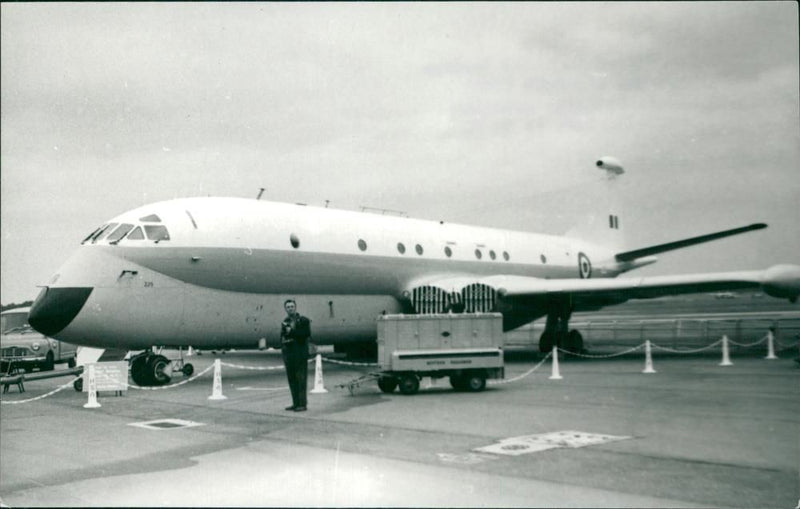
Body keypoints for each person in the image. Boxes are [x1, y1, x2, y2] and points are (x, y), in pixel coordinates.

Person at [279, 299, 312, 411]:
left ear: (295, 307)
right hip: (289, 354)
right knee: (292, 379)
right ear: (285, 309)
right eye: (288, 307)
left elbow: (306, 334)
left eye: (292, 306)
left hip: (300, 354)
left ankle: (302, 404)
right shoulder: (285, 321)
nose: (290, 308)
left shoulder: (303, 320)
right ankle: (295, 403)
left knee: (301, 379)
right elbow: (283, 336)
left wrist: (291, 331)